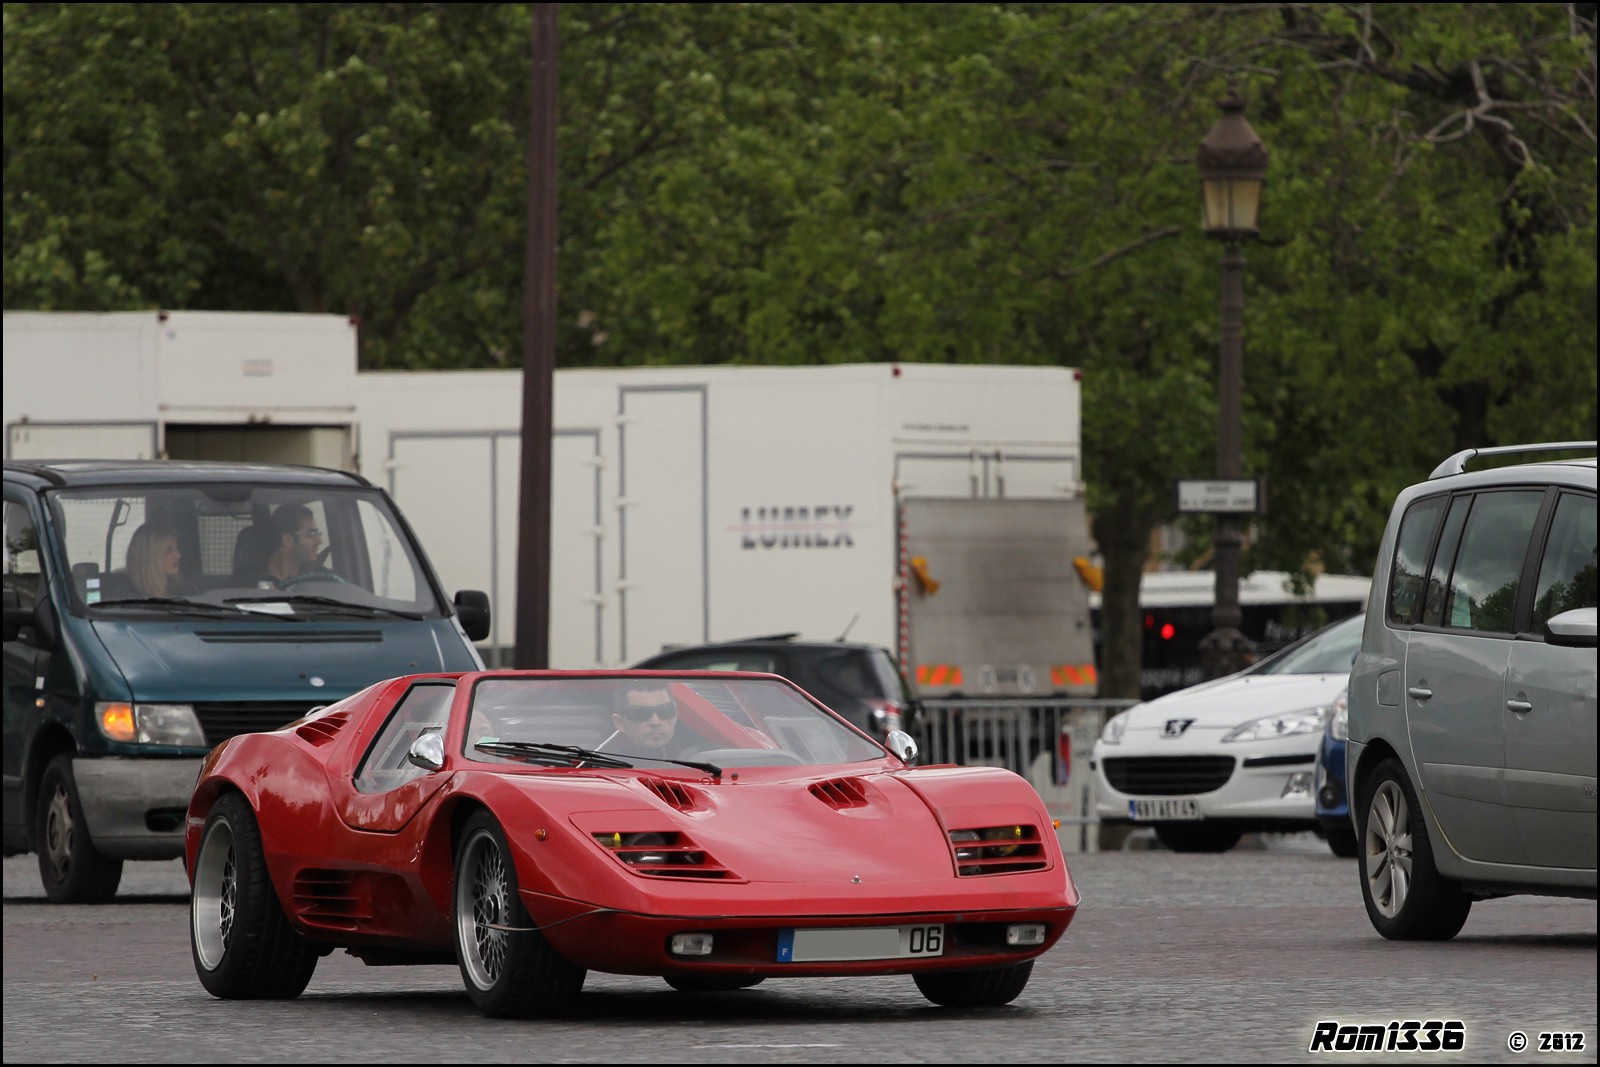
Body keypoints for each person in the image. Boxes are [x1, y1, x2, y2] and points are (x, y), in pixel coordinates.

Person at [605, 681, 703, 759]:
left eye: (665, 710)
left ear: (675, 714)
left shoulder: (701, 759)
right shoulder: (607, 767)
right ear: (620, 723)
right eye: (641, 713)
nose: (655, 722)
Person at [261, 504, 345, 589]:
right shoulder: (252, 580)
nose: (319, 541)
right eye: (311, 534)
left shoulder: (324, 579)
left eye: (318, 534)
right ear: (288, 540)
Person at [125, 523, 183, 597]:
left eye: (176, 548)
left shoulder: (185, 591)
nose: (178, 555)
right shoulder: (126, 599)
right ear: (149, 556)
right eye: (169, 550)